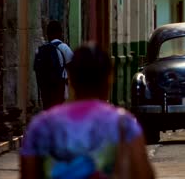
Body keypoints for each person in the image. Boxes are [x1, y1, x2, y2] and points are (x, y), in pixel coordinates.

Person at [21, 44, 155, 179]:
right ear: (109, 78)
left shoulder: (41, 126)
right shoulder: (124, 124)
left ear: (71, 79)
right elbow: (144, 174)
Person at [34, 21, 74, 110]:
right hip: (59, 87)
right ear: (60, 33)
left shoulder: (40, 50)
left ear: (47, 34)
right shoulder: (64, 47)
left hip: (45, 89)